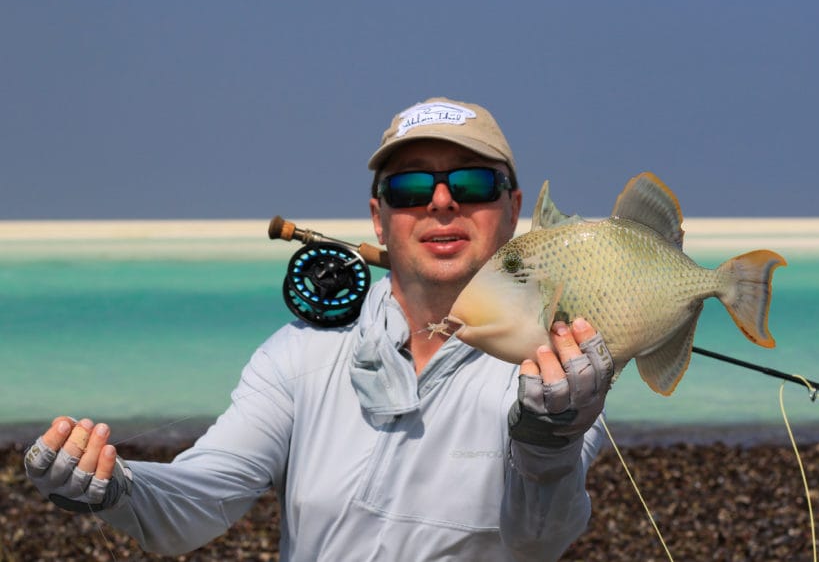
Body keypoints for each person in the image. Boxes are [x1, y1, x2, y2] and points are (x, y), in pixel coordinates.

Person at [23, 97, 613, 561]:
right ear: (378, 218)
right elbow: (201, 498)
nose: (440, 203)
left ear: (512, 210)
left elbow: (539, 541)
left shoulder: (561, 367)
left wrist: (549, 435)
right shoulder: (297, 354)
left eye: (472, 185)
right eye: (409, 187)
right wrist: (113, 486)